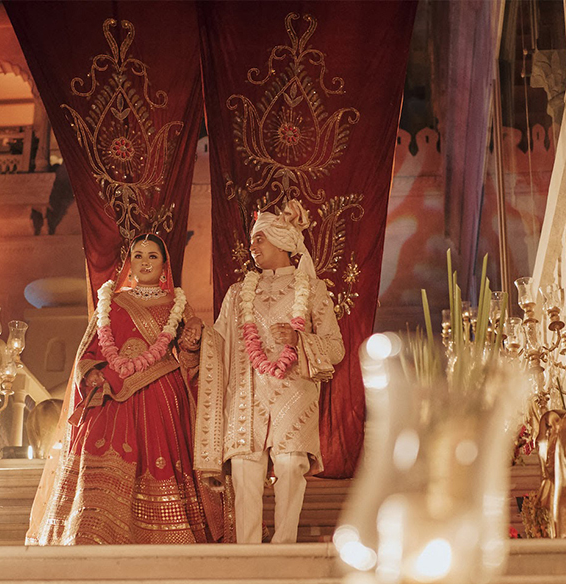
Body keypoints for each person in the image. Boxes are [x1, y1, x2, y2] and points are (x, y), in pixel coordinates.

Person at [27, 234, 219, 545]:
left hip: (161, 396)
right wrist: (91, 374)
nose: (144, 262)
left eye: (152, 256)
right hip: (111, 397)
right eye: (138, 255)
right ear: (129, 263)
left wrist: (195, 343)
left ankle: (166, 535)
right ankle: (91, 534)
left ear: (164, 265)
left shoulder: (177, 306)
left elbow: (187, 358)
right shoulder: (111, 302)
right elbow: (89, 352)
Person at [195, 201, 344, 544]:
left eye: (259, 240)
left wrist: (299, 340)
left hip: (294, 394)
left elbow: (335, 348)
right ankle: (248, 556)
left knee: (291, 466)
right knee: (246, 470)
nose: (253, 247)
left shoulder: (312, 290)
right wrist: (194, 335)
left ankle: (284, 549)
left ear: (282, 242)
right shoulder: (237, 294)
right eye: (252, 241)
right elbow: (217, 344)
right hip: (247, 396)